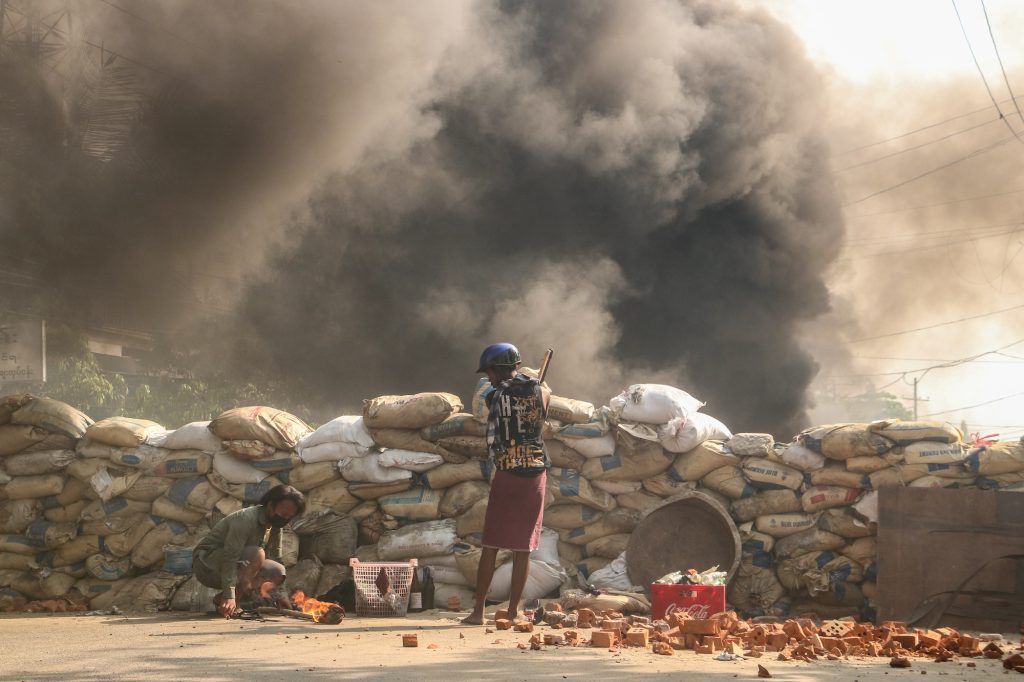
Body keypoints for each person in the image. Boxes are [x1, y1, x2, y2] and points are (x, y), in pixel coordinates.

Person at [463, 343, 550, 625]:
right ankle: (512, 612)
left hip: (508, 474)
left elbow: (490, 400)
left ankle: (478, 612)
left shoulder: (494, 396)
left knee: (491, 544)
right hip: (535, 476)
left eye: (490, 371)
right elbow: (544, 399)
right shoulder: (542, 392)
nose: (488, 377)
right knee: (523, 547)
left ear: (499, 370)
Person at [192, 483, 306, 618]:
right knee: (258, 554)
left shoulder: (276, 526)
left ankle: (222, 599)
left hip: (232, 564)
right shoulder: (245, 519)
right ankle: (231, 601)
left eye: (289, 517)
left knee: (278, 571)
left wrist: (282, 595)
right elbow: (230, 558)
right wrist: (230, 596)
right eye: (283, 514)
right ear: (270, 505)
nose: (285, 519)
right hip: (206, 565)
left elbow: (276, 557)